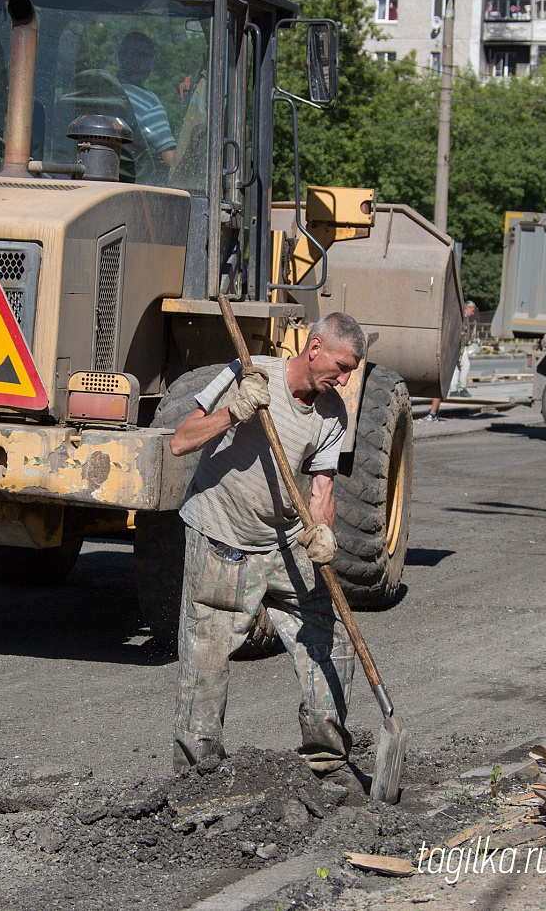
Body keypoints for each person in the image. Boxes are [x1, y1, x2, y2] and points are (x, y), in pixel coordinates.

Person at [169, 313, 367, 791]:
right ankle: (199, 773)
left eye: (350, 372)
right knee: (207, 654)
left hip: (282, 543)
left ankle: (327, 759)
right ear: (315, 347)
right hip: (222, 535)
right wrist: (234, 411)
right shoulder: (248, 370)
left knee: (329, 639)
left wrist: (323, 533)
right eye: (340, 366)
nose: (343, 379)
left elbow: (321, 490)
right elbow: (181, 440)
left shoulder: (333, 413)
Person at [117, 31, 176, 168]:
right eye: (139, 55)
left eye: (149, 56)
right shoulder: (148, 102)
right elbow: (171, 160)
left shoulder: (98, 91)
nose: (146, 62)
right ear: (122, 56)